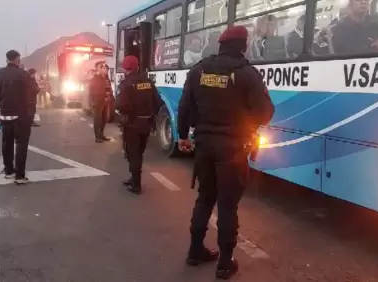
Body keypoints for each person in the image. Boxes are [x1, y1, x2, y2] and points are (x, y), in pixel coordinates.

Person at [177, 26, 274, 280]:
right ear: (243, 45)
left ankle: (195, 250)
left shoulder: (199, 70)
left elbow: (185, 106)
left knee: (205, 197)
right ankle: (225, 263)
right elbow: (265, 113)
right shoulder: (247, 74)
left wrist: (183, 135)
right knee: (228, 206)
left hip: (205, 146)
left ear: (220, 44)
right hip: (233, 149)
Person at [116, 55, 163, 194]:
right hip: (146, 123)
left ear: (125, 68)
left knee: (133, 153)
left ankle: (136, 184)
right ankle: (133, 178)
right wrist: (150, 115)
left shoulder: (126, 84)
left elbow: (120, 105)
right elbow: (158, 102)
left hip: (132, 124)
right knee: (139, 153)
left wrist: (129, 113)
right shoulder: (148, 82)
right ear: (137, 66)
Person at [0, 50, 35, 185]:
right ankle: (20, 175)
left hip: (4, 114)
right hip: (21, 115)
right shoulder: (23, 74)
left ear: (6, 59)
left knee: (7, 143)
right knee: (21, 144)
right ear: (17, 59)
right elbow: (35, 89)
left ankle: (9, 171)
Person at [89, 61, 113, 143]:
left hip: (106, 102)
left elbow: (109, 88)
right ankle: (97, 137)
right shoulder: (95, 79)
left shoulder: (106, 79)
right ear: (99, 69)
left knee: (104, 119)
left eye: (106, 69)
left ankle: (101, 135)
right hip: (98, 102)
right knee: (98, 120)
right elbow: (91, 91)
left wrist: (110, 97)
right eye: (104, 68)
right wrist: (92, 102)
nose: (106, 70)